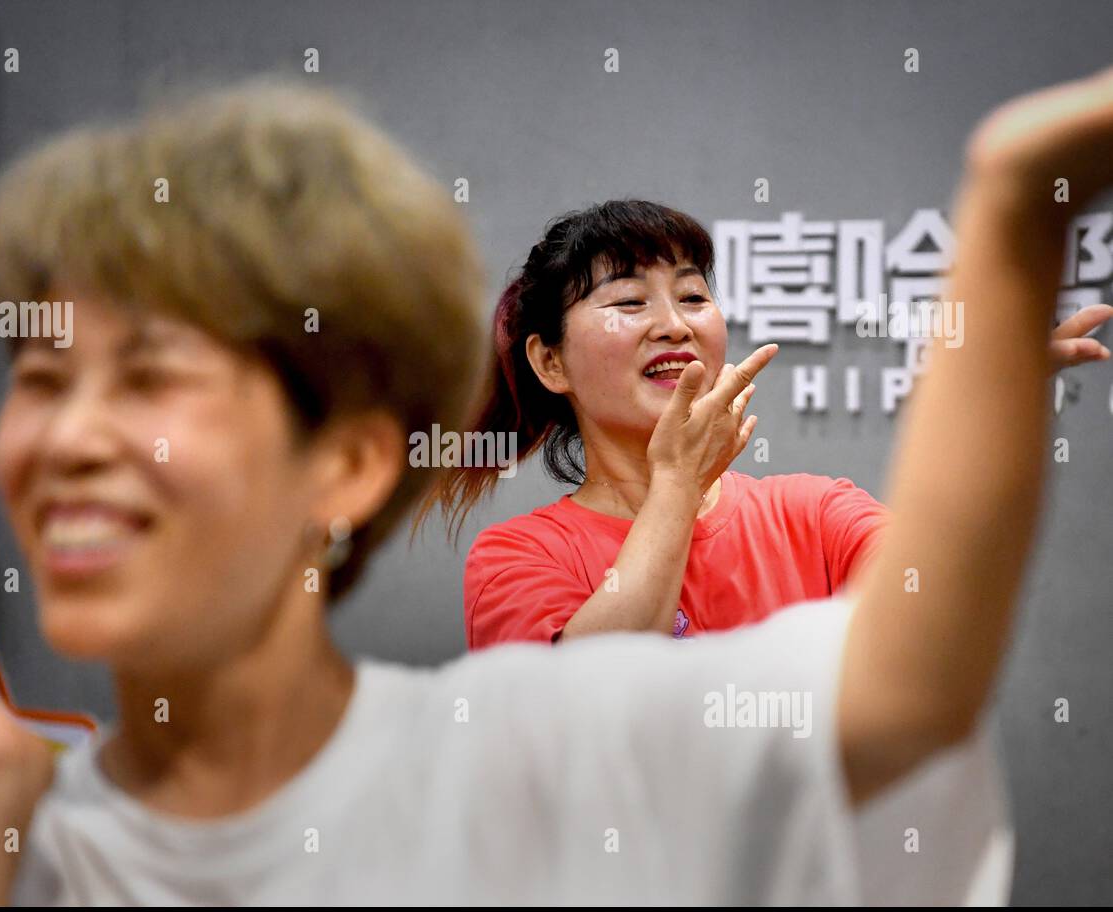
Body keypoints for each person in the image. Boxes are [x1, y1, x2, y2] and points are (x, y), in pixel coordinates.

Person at [0, 67, 1111, 905]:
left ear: (352, 459)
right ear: (545, 356)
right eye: (42, 377)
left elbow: (915, 665)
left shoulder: (503, 757)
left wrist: (1010, 221)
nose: (71, 437)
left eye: (148, 376)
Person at [433, 201, 1111, 649]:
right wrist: (677, 485)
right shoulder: (518, 556)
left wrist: (991, 406)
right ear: (551, 361)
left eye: (694, 295)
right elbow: (580, 708)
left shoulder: (814, 513)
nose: (674, 323)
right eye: (630, 300)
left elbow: (933, 615)